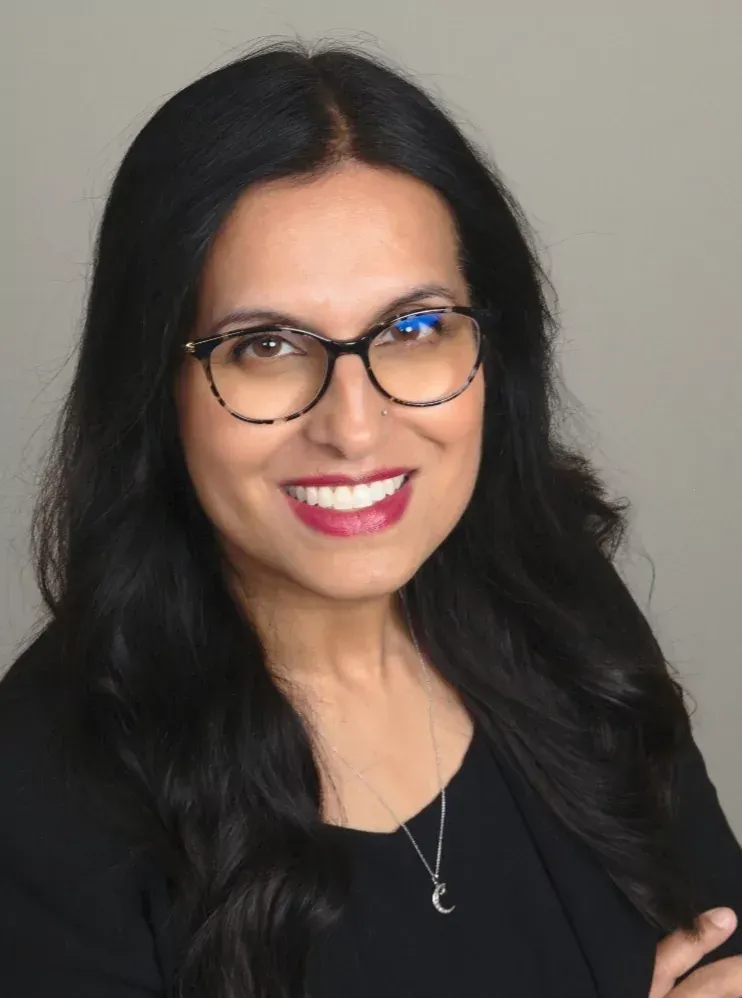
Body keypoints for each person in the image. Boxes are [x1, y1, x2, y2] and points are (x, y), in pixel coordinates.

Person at [1, 39, 741, 998]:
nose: (354, 427)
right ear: (156, 388)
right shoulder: (35, 797)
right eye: (264, 345)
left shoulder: (558, 602)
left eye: (416, 329)